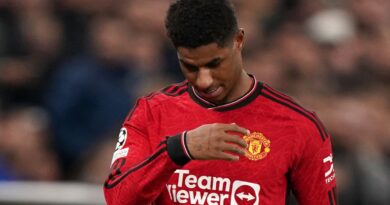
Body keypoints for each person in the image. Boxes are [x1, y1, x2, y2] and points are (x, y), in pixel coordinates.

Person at [103, 0, 337, 204]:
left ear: (238, 41)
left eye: (215, 64)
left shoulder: (299, 126)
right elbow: (117, 199)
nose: (204, 81)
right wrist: (177, 150)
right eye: (190, 67)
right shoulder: (152, 112)